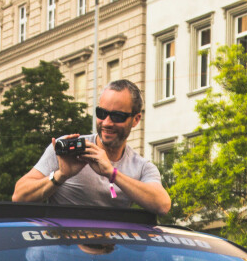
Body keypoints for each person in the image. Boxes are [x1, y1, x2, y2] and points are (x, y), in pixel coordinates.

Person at [12, 80, 170, 213]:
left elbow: (162, 205)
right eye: (101, 113)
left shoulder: (141, 167)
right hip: (61, 246)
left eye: (117, 116)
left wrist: (111, 173)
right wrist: (61, 175)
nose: (107, 123)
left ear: (135, 119)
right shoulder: (65, 150)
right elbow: (19, 196)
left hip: (108, 247)